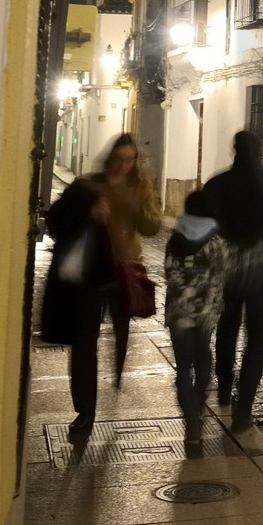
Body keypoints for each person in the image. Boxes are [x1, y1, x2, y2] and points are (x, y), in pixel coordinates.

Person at [204, 130, 263, 432]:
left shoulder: (217, 184)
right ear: (261, 149)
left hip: (228, 273)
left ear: (234, 149)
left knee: (227, 329)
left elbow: (204, 225)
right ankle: (244, 408)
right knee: (257, 338)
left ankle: (223, 386)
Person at [40, 178, 115, 441]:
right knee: (83, 352)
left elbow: (108, 261)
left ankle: (86, 411)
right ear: (88, 204)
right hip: (76, 294)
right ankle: (85, 411)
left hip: (88, 294)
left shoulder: (94, 223)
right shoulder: (73, 220)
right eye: (100, 202)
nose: (106, 206)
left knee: (84, 352)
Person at [165, 190, 234, 455]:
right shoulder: (216, 241)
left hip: (178, 314)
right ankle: (198, 404)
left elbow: (169, 272)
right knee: (203, 360)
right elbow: (225, 272)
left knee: (183, 368)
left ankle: (191, 426)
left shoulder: (175, 238)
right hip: (205, 315)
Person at [99, 133, 163, 387]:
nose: (123, 165)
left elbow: (151, 228)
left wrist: (145, 199)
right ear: (111, 157)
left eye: (129, 160)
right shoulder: (97, 183)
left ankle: (117, 373)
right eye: (119, 159)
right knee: (89, 324)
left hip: (125, 264)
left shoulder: (139, 186)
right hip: (97, 262)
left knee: (122, 324)